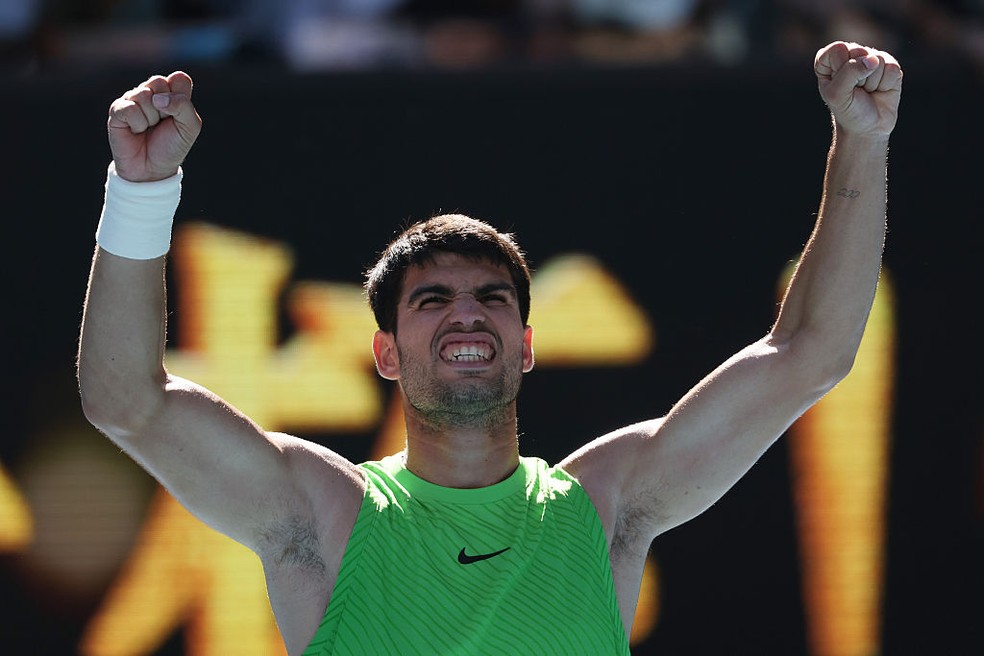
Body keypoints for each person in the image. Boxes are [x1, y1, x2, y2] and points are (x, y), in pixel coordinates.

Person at [77, 40, 903, 655]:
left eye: (491, 300)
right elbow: (126, 402)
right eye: (432, 301)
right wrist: (141, 191)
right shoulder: (322, 514)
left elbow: (811, 353)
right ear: (388, 354)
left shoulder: (602, 507)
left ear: (527, 345)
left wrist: (861, 140)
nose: (466, 317)